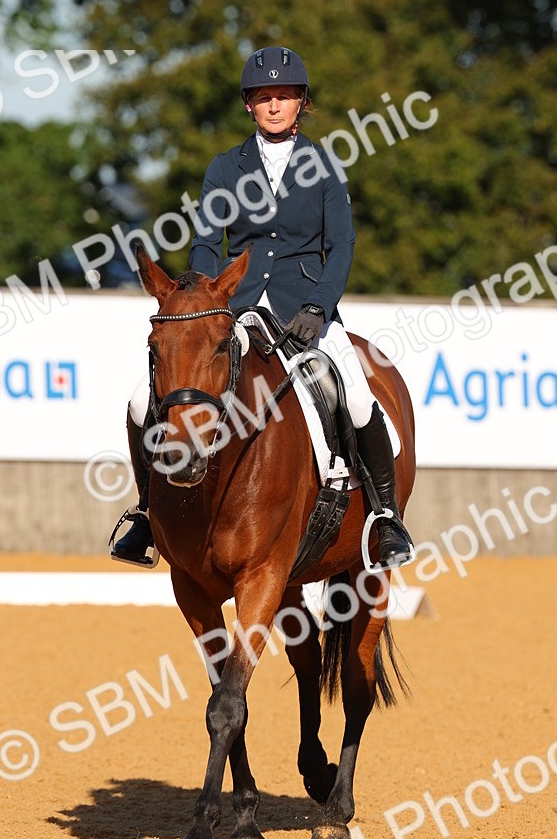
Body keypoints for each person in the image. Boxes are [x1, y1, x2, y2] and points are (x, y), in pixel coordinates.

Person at [110, 45, 414, 569]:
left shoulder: (323, 166)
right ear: (249, 105)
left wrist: (319, 306)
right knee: (142, 401)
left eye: (285, 96)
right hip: (237, 306)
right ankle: (145, 515)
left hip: (306, 308)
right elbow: (207, 243)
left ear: (302, 103)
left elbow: (341, 245)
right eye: (264, 97)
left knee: (359, 396)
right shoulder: (227, 167)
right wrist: (205, 297)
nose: (275, 105)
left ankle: (384, 518)